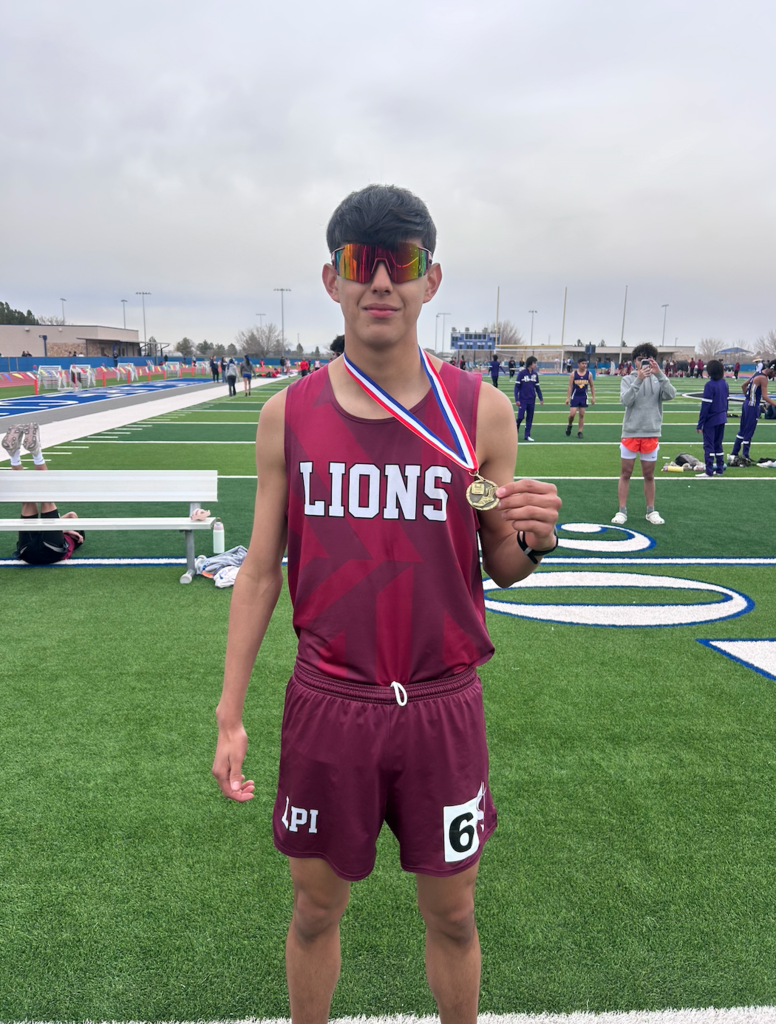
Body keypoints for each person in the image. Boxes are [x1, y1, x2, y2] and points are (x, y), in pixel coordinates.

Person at [211, 184, 561, 1024]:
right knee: (313, 910)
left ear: (429, 279)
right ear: (330, 279)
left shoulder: (481, 412)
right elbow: (259, 572)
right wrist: (229, 712)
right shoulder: (287, 415)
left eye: (398, 263)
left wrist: (534, 539)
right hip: (331, 701)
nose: (378, 282)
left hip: (442, 702)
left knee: (455, 915)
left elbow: (502, 565)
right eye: (358, 262)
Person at [612, 343, 676, 526]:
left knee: (649, 474)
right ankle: (622, 511)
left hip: (651, 431)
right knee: (626, 473)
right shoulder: (627, 379)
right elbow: (626, 401)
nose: (644, 363)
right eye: (641, 359)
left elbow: (671, 394)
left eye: (648, 359)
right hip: (631, 431)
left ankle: (650, 511)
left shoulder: (658, 379)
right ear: (634, 361)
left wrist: (660, 374)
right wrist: (638, 380)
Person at [2, 424, 85, 564]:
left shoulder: (76, 536)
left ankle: (32, 454)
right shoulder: (73, 537)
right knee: (28, 501)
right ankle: (15, 456)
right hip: (29, 552)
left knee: (44, 498)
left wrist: (64, 529)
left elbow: (72, 515)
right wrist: (64, 529)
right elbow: (71, 515)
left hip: (49, 551)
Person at [729, 361, 776, 466]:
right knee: (749, 431)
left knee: (742, 430)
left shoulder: (757, 374)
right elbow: (765, 396)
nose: (774, 376)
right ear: (772, 369)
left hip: (746, 404)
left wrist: (748, 397)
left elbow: (743, 386)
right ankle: (745, 455)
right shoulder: (763, 378)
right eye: (775, 373)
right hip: (753, 406)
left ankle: (734, 453)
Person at [696, 360, 728, 476]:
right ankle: (719, 469)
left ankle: (709, 471)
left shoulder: (709, 385)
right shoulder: (724, 383)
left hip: (711, 420)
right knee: (718, 444)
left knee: (708, 445)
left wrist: (700, 424)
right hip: (722, 418)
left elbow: (705, 407)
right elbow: (726, 401)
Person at [514, 356, 543, 441]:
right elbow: (516, 387)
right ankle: (516, 427)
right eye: (534, 363)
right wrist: (517, 399)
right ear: (530, 363)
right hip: (522, 399)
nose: (535, 365)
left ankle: (527, 435)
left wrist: (541, 398)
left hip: (531, 400)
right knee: (520, 417)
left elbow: (537, 387)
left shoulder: (535, 374)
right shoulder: (522, 373)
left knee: (530, 418)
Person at [564, 358, 595, 438]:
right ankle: (569, 425)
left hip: (583, 397)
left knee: (581, 414)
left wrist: (593, 397)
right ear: (578, 364)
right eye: (582, 363)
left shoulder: (589, 374)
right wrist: (567, 398)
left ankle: (579, 432)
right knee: (572, 414)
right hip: (575, 396)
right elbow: (570, 386)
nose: (584, 365)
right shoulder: (573, 374)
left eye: (585, 363)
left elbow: (592, 386)